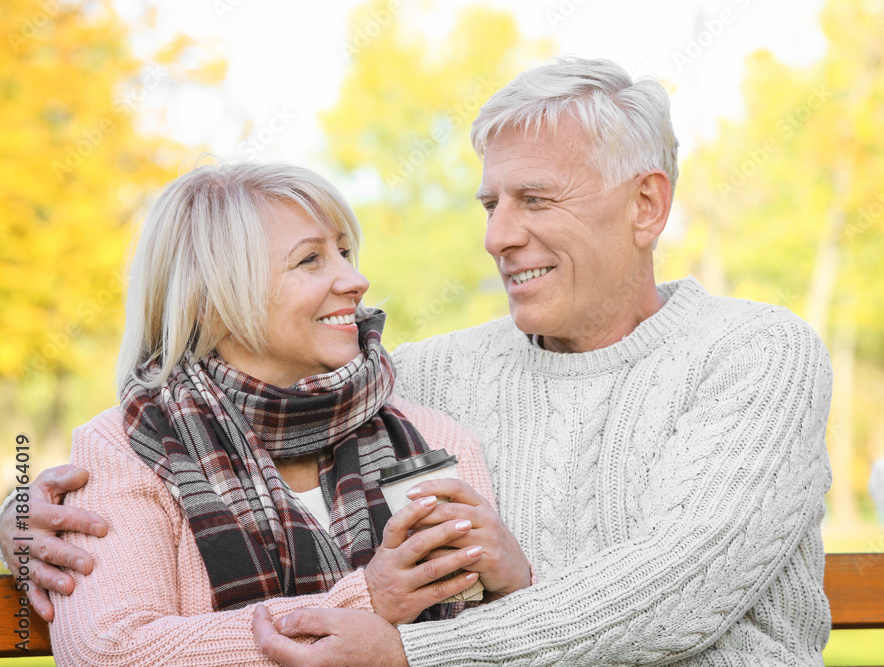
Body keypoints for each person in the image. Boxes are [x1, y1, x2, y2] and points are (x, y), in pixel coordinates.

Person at [3, 57, 833, 665]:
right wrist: (18, 520)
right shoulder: (422, 384)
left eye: (535, 199)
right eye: (491, 202)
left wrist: (404, 647)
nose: (498, 235)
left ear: (646, 204)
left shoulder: (756, 354)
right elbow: (262, 390)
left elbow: (668, 600)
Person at [0, 162, 530, 665]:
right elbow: (111, 650)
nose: (355, 279)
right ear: (212, 301)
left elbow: (492, 635)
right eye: (310, 259)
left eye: (345, 252)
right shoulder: (127, 447)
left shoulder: (430, 433)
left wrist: (516, 583)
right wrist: (362, 601)